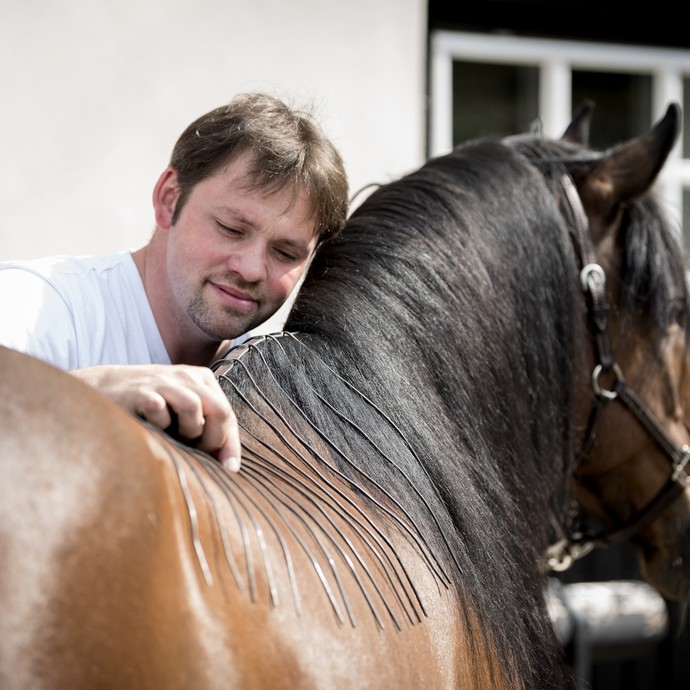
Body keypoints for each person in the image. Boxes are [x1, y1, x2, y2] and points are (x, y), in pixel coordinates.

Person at [0, 92, 349, 471]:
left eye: (286, 253)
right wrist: (95, 389)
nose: (251, 269)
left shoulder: (280, 388)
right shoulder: (41, 302)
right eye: (231, 229)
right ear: (169, 199)